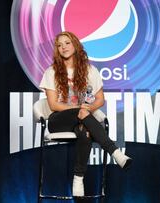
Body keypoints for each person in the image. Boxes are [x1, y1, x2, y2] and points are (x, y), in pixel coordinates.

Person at [39, 31, 132, 196]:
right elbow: (53, 105)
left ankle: (78, 178)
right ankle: (115, 152)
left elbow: (100, 100)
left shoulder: (91, 71)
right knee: (82, 115)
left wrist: (87, 109)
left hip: (82, 120)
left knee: (85, 132)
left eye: (67, 43)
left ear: (75, 44)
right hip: (58, 120)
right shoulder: (51, 72)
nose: (63, 47)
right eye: (59, 45)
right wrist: (80, 110)